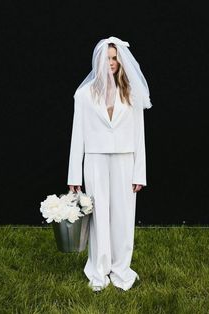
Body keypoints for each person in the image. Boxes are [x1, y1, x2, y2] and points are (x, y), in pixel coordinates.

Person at [67, 36, 152, 292]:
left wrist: (140, 173)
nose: (111, 62)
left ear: (121, 60)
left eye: (115, 57)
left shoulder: (133, 93)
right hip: (95, 160)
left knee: (124, 216)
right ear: (98, 60)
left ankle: (121, 267)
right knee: (99, 216)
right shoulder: (83, 95)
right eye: (107, 58)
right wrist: (74, 175)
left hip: (126, 161)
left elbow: (140, 135)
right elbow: (77, 134)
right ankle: (99, 269)